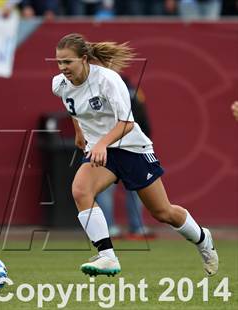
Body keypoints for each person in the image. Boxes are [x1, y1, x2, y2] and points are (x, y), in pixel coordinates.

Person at [51, 33, 218, 277]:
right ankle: (107, 256)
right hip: (103, 153)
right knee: (80, 190)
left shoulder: (108, 80)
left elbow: (126, 123)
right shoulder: (59, 84)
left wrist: (101, 145)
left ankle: (203, 239)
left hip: (131, 148)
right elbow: (73, 107)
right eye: (59, 62)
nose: (63, 68)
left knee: (163, 212)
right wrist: (79, 132)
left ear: (84, 59)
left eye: (68, 62)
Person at [96, 77, 154, 239]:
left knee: (106, 190)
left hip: (112, 145)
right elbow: (142, 117)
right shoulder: (129, 88)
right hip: (126, 146)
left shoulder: (101, 86)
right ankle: (135, 227)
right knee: (133, 190)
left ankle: (111, 228)